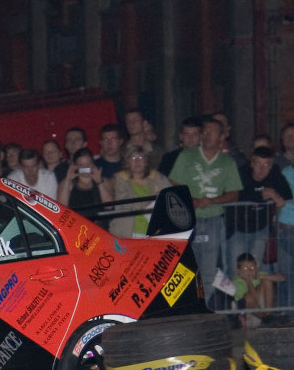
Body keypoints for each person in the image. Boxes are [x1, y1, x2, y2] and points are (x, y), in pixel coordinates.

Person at [169, 117, 242, 306]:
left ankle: (204, 306)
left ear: (221, 137)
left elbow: (234, 193)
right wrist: (190, 201)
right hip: (187, 220)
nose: (208, 135)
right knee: (184, 265)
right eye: (205, 131)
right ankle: (184, 306)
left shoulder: (227, 161)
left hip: (213, 220)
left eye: (213, 131)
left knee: (209, 268)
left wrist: (213, 201)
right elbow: (174, 183)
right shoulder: (187, 156)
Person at [226, 146, 290, 276]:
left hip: (260, 229)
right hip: (238, 230)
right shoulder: (242, 173)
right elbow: (238, 195)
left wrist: (273, 193)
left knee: (256, 270)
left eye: (266, 165)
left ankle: (254, 290)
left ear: (271, 165)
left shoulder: (274, 173)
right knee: (236, 270)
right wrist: (263, 195)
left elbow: (287, 193)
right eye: (258, 164)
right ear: (252, 163)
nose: (262, 169)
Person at [109, 145, 172, 237]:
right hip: (127, 232)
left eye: (141, 158)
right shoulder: (120, 179)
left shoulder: (157, 177)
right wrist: (151, 203)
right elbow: (125, 203)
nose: (137, 161)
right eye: (133, 158)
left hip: (155, 232)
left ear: (146, 162)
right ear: (127, 162)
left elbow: (170, 196)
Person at [232, 253, 284, 328]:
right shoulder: (237, 282)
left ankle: (268, 316)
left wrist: (262, 276)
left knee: (267, 281)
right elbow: (254, 300)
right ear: (239, 271)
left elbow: (282, 278)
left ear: (256, 268)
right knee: (248, 298)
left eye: (252, 268)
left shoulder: (257, 275)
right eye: (246, 269)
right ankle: (265, 318)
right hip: (248, 317)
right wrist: (248, 282)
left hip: (261, 311)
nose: (250, 271)